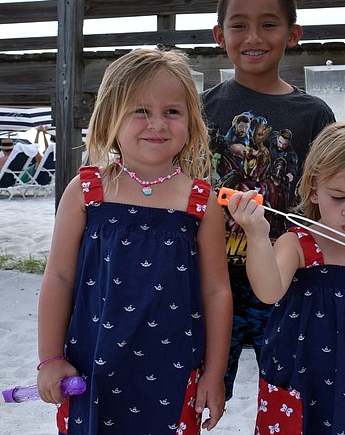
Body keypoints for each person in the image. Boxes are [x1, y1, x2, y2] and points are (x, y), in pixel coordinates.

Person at [36, 48, 232, 434]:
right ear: (110, 117)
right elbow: (58, 277)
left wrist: (215, 373)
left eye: (172, 111)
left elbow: (216, 292)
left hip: (175, 370)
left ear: (191, 122)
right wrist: (50, 358)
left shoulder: (201, 201)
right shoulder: (85, 191)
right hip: (92, 365)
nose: (157, 124)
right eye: (140, 110)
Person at [224, 120, 345, 434]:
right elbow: (268, 291)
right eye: (338, 197)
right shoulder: (298, 244)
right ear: (313, 190)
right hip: (299, 379)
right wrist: (256, 236)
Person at [201, 0, 336, 400]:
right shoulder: (199, 108)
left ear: (293, 34)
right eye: (239, 25)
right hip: (210, 279)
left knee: (290, 396)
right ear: (220, 36)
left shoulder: (313, 114)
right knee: (199, 392)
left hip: (284, 282)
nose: (253, 36)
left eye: (269, 24)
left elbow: (328, 200)